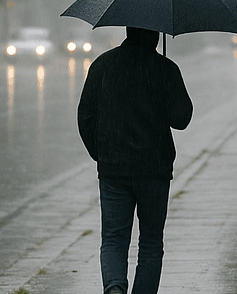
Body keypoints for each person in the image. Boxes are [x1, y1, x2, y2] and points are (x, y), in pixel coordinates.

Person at [77, 26, 194, 294]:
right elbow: (182, 118)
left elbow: (85, 116)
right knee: (151, 242)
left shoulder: (103, 66)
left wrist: (102, 154)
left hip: (113, 170)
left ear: (128, 31)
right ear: (155, 35)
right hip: (154, 170)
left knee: (114, 239)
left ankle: (115, 288)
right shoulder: (165, 69)